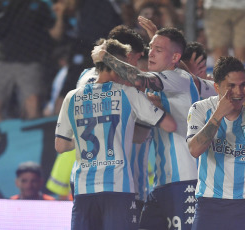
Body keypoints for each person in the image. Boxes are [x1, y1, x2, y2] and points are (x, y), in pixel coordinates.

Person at [55, 39, 176, 230]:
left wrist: (81, 139)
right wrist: (157, 106)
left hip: (84, 188)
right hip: (118, 187)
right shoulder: (127, 93)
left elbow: (60, 146)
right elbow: (169, 125)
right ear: (114, 66)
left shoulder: (72, 96)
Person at [92, 27, 200, 229]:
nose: (151, 53)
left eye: (158, 49)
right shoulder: (157, 88)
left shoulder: (178, 78)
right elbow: (140, 135)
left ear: (175, 57)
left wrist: (106, 57)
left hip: (185, 179)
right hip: (160, 183)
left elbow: (139, 79)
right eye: (151, 47)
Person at [186, 56, 245, 230]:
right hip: (210, 204)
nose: (239, 91)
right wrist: (218, 114)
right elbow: (194, 150)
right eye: (231, 86)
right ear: (217, 87)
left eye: (243, 85)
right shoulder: (200, 109)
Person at [0, 0, 62, 121]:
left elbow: (55, 34)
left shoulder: (42, 4)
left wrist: (60, 15)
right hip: (3, 60)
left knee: (33, 104)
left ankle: (34, 138)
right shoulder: (1, 4)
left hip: (31, 61)